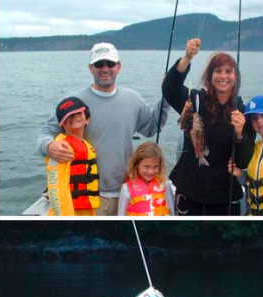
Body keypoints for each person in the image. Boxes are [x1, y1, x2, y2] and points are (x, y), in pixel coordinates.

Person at [38, 42, 169, 215]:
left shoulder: (133, 99)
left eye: (110, 64)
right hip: (88, 198)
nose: (105, 69)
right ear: (90, 68)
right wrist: (49, 146)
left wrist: (168, 94)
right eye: (99, 64)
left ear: (119, 67)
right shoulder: (73, 101)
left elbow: (152, 127)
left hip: (126, 192)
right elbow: (46, 132)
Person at [162, 38, 256, 215]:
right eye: (218, 71)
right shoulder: (195, 101)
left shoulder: (243, 113)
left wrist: (240, 133)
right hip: (189, 190)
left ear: (236, 77)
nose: (223, 76)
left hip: (225, 195)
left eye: (229, 71)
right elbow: (169, 88)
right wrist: (187, 58)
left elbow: (244, 161)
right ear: (210, 76)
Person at [45, 97, 99, 216]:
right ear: (61, 123)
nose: (74, 117)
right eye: (69, 116)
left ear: (87, 119)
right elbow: (56, 187)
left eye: (78, 113)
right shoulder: (61, 148)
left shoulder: (86, 145)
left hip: (86, 209)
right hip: (70, 212)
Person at [118, 142, 174, 216]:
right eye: (146, 167)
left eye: (155, 167)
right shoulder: (126, 188)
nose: (151, 172)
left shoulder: (165, 184)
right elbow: (120, 215)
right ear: (137, 165)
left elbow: (172, 213)